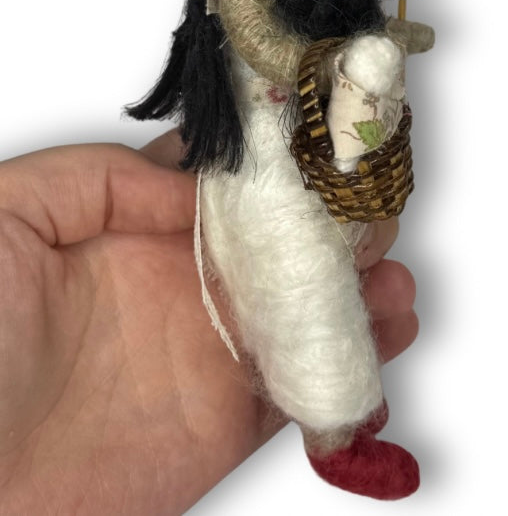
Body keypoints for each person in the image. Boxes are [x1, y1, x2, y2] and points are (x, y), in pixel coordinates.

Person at [0, 129, 418, 514]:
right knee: (310, 297)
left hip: (271, 190)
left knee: (319, 295)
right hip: (269, 196)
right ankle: (335, 440)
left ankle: (344, 422)